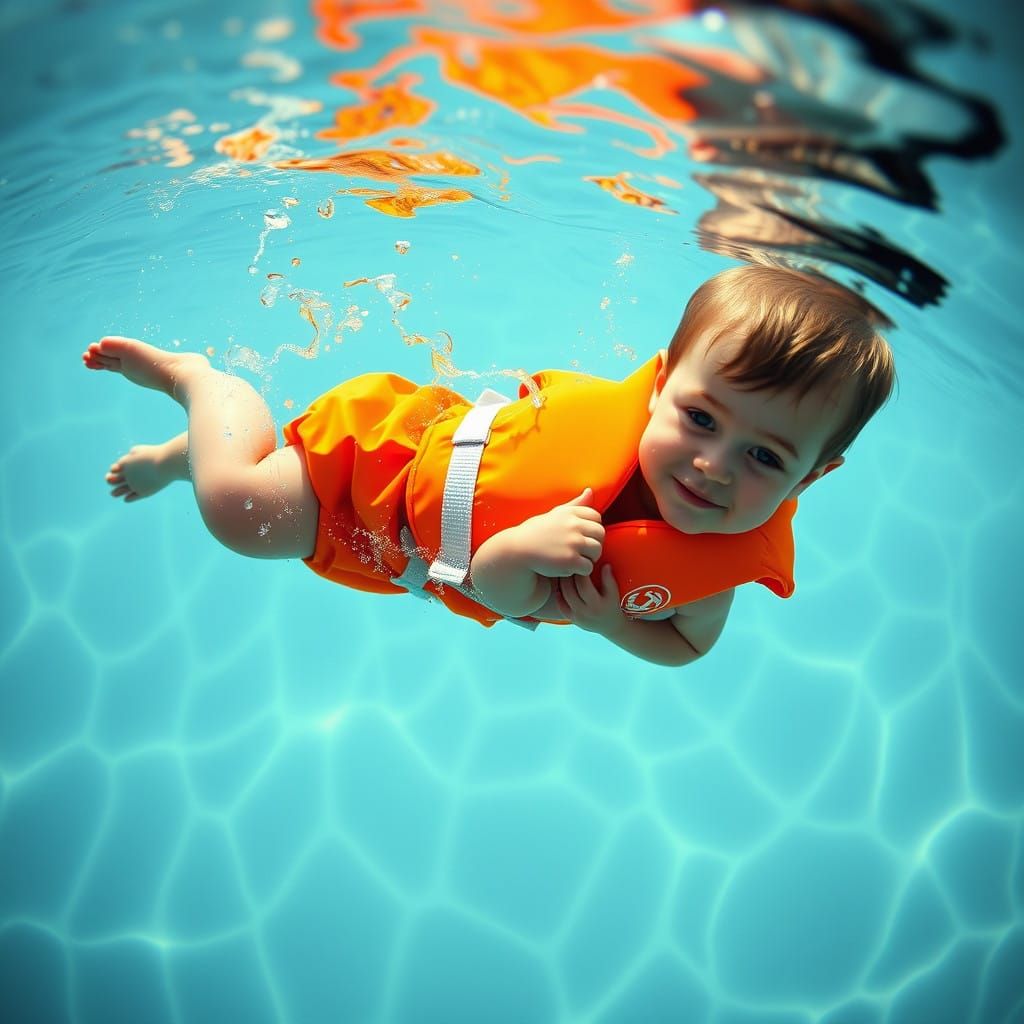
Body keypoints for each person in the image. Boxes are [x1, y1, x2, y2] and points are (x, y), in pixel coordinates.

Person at [83, 263, 894, 667]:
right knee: (238, 515)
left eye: (763, 455)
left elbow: (687, 646)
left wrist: (614, 623)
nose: (713, 466)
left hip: (396, 555)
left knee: (242, 499)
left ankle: (195, 455)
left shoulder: (714, 570)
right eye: (700, 417)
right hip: (390, 472)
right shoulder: (597, 489)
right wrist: (520, 551)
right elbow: (492, 585)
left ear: (813, 477)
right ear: (657, 386)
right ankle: (202, 383)